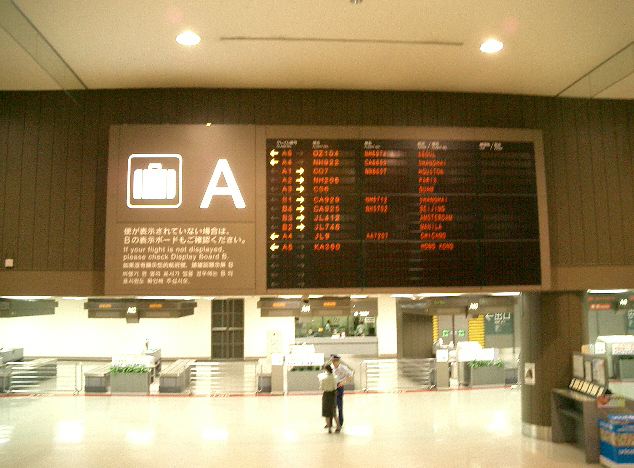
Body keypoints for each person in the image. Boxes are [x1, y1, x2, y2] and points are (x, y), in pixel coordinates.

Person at [330, 354, 353, 431]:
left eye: (335, 361)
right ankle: (330, 422)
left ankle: (340, 422)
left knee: (339, 406)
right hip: (332, 386)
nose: (333, 362)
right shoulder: (331, 367)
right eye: (333, 361)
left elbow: (351, 374)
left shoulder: (343, 367)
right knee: (332, 405)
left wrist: (344, 382)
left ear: (338, 361)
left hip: (339, 387)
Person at [318, 364, 339, 433]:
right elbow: (335, 387)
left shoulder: (323, 378)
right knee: (334, 412)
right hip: (333, 394)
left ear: (326, 370)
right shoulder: (334, 377)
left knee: (326, 412)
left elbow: (321, 388)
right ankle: (338, 427)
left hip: (326, 394)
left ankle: (329, 428)